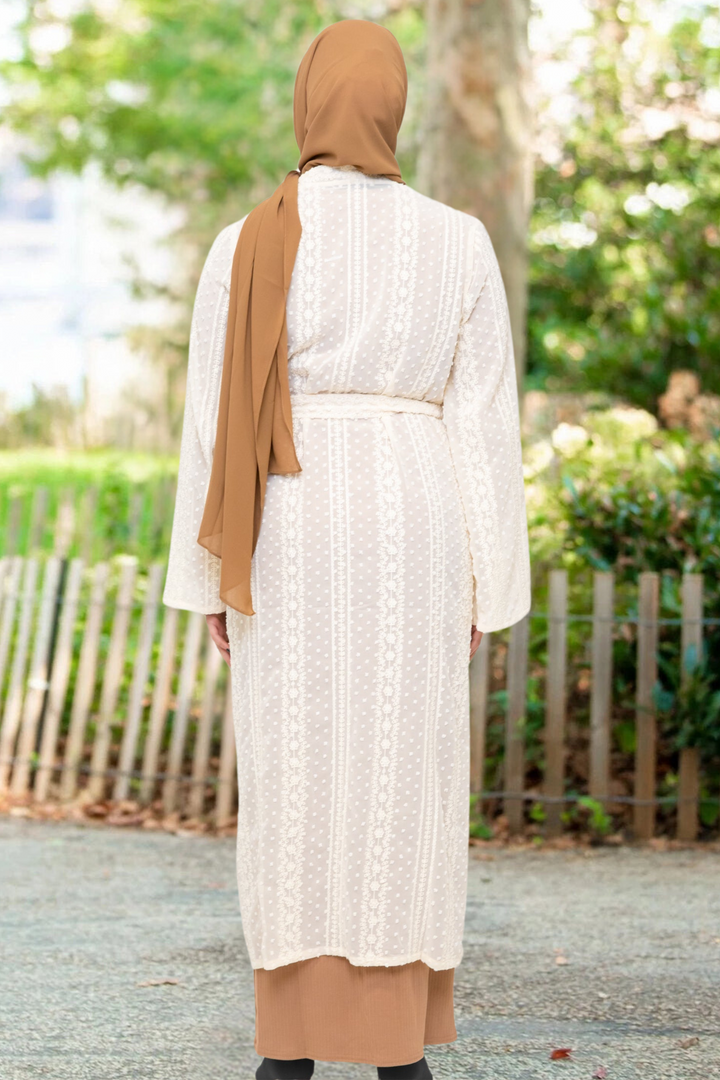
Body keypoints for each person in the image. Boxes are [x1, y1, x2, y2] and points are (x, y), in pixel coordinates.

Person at [164, 18, 530, 1080]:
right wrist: (485, 576)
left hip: (290, 515)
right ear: (395, 105)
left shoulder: (248, 240)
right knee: (403, 765)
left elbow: (207, 421)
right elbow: (483, 419)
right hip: (418, 516)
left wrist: (210, 580)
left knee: (294, 765)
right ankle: (395, 1049)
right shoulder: (457, 237)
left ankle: (291, 1045)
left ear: (307, 102)